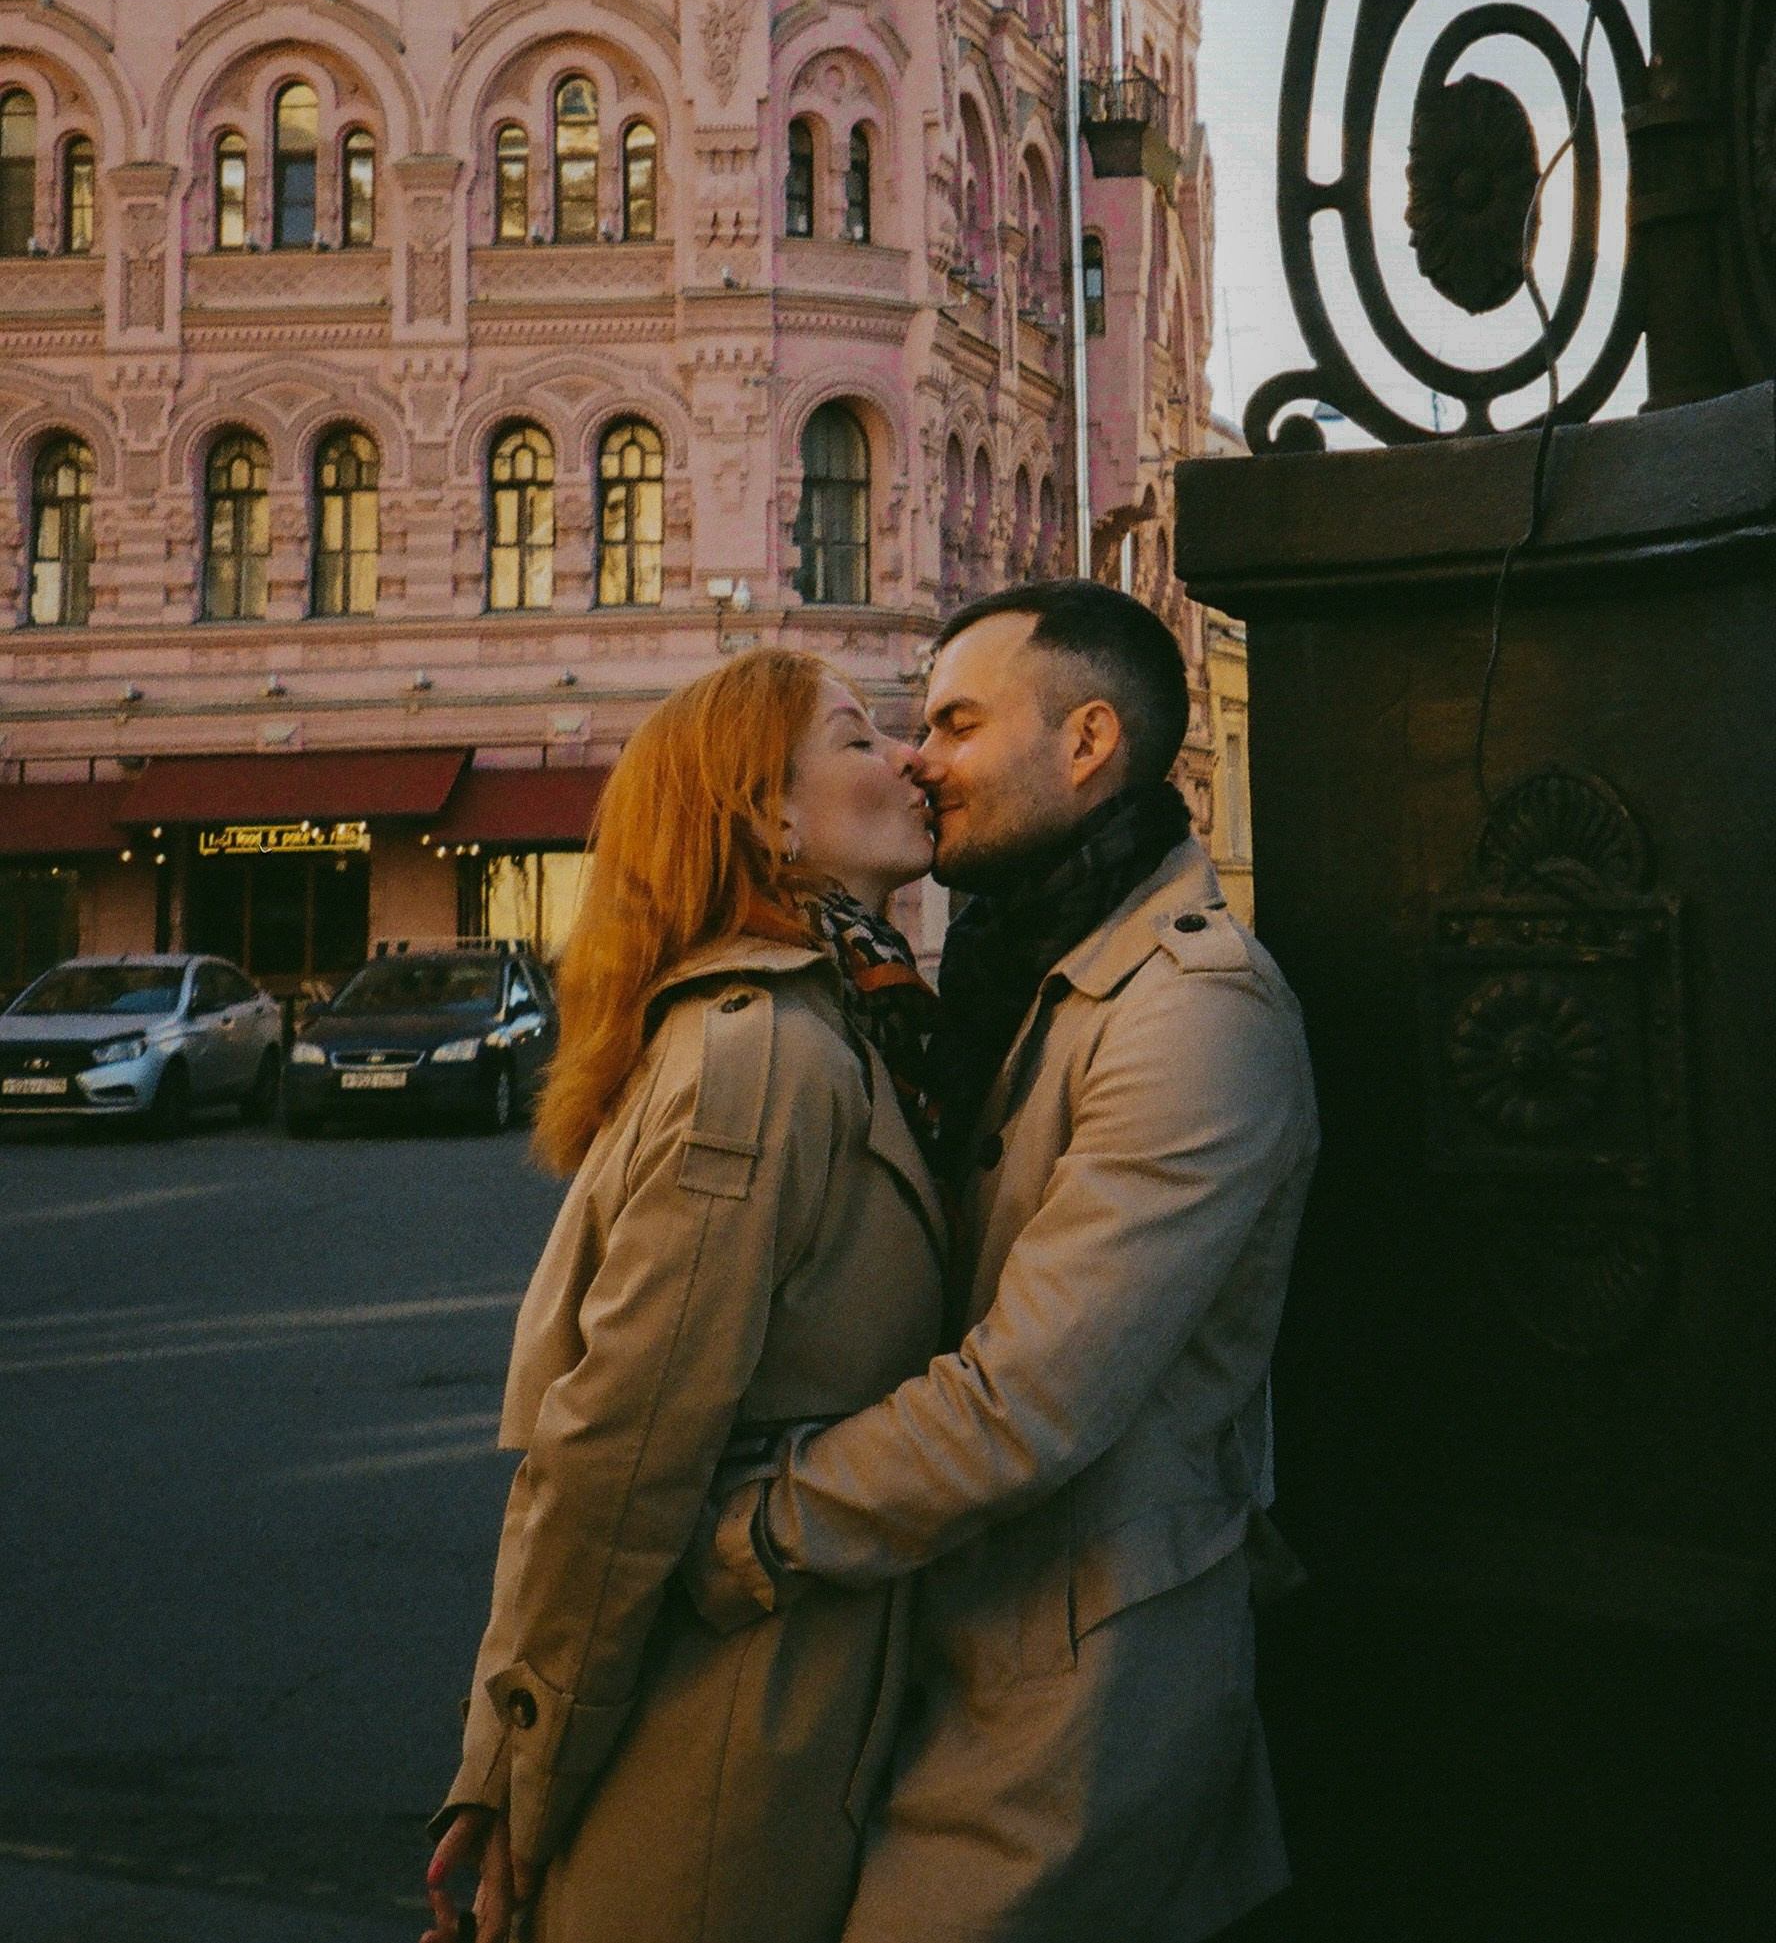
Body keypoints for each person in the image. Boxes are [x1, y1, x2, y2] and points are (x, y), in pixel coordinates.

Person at [691, 581, 1320, 1943]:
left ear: (1087, 740)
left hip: (1074, 1705)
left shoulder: (1195, 1013)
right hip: (939, 1646)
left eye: (960, 723)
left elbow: (1024, 1401)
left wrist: (751, 1527)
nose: (919, 756)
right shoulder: (1000, 977)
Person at [423, 650, 945, 1943]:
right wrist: (517, 1786)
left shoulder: (852, 1020)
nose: (912, 756)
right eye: (859, 736)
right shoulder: (762, 1051)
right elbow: (615, 1451)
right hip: (715, 1753)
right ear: (770, 815)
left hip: (779, 1714)